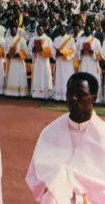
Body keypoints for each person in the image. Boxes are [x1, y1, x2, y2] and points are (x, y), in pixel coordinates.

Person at [26, 72, 105, 202]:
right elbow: (37, 176)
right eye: (70, 93)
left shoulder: (102, 134)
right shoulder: (50, 132)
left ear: (93, 99)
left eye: (80, 94)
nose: (73, 98)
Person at [77, 24, 103, 102]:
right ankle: (83, 97)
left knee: (94, 79)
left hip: (93, 63)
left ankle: (95, 98)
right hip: (84, 62)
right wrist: (81, 52)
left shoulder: (96, 41)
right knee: (83, 80)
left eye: (89, 29)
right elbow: (76, 52)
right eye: (86, 29)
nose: (87, 31)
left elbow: (100, 54)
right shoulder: (79, 40)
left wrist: (93, 53)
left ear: (91, 30)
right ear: (84, 30)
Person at [28, 25, 54, 100]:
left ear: (43, 30)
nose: (39, 31)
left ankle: (46, 94)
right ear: (36, 30)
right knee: (37, 76)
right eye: (38, 30)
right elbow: (28, 51)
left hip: (44, 62)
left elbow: (51, 52)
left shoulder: (48, 39)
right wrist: (32, 51)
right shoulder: (33, 39)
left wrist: (42, 49)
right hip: (36, 61)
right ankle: (36, 94)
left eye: (41, 29)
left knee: (45, 76)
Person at [52, 24, 76, 102]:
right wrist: (56, 54)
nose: (62, 30)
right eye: (60, 29)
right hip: (59, 62)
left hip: (67, 62)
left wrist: (64, 53)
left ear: (66, 30)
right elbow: (53, 51)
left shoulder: (70, 39)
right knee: (59, 77)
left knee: (67, 77)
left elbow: (73, 51)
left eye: (63, 29)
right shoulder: (56, 39)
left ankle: (68, 96)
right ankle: (59, 96)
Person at [4, 24, 29, 97]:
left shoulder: (21, 39)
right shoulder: (7, 40)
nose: (13, 31)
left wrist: (18, 54)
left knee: (20, 76)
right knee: (11, 77)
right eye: (11, 30)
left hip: (19, 62)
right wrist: (8, 54)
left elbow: (25, 51)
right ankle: (11, 92)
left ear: (17, 30)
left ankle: (21, 93)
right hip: (11, 62)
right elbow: (5, 51)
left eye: (14, 30)